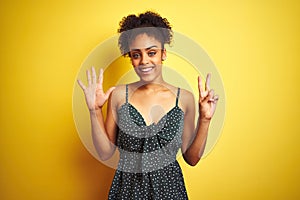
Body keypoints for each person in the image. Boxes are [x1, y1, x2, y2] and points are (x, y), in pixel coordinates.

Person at [77, 11, 219, 200]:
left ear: (163, 54)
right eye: (136, 55)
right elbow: (105, 152)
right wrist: (94, 110)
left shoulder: (184, 98)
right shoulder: (119, 95)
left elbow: (191, 159)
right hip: (126, 191)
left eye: (151, 52)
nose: (144, 61)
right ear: (131, 57)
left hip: (170, 191)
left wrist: (205, 120)